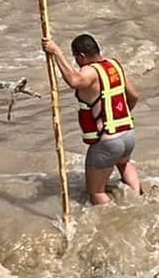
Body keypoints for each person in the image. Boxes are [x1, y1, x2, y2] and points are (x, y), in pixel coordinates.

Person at [40, 33, 142, 205]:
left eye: (76, 58)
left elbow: (74, 80)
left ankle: (112, 222)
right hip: (127, 134)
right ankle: (138, 200)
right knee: (124, 164)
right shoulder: (114, 66)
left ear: (81, 56)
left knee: (96, 191)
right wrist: (119, 115)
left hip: (108, 141)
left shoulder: (89, 71)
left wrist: (56, 52)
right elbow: (134, 95)